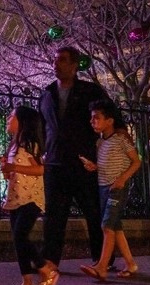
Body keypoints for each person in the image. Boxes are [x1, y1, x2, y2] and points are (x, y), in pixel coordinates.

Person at [39, 46, 109, 272]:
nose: (56, 64)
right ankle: (50, 261)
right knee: (53, 216)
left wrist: (102, 147)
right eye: (55, 60)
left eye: (62, 60)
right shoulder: (47, 93)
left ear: (74, 65)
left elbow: (109, 118)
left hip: (82, 163)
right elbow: (43, 126)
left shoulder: (90, 92)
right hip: (55, 162)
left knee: (93, 212)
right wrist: (41, 151)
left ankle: (102, 259)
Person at [0, 106, 60, 285]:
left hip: (31, 199)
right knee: (18, 241)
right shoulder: (13, 145)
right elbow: (14, 173)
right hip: (16, 198)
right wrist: (7, 171)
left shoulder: (29, 144)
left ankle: (45, 269)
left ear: (22, 122)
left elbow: (40, 170)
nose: (8, 119)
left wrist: (14, 166)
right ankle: (26, 282)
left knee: (20, 236)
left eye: (12, 116)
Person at [79, 99, 141, 280]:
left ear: (110, 120)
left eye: (96, 118)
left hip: (116, 188)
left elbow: (136, 162)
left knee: (106, 226)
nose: (92, 122)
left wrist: (122, 179)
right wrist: (94, 167)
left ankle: (102, 267)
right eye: (91, 118)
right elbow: (108, 164)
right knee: (116, 227)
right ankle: (130, 263)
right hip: (103, 187)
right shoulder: (100, 143)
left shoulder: (121, 139)